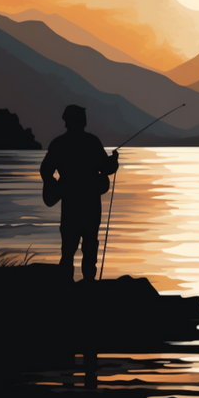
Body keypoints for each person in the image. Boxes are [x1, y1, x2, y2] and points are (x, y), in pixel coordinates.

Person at [40, 105, 119, 281]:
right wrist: (114, 161)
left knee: (68, 246)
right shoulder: (92, 142)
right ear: (79, 120)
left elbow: (45, 170)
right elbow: (106, 167)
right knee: (90, 243)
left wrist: (56, 187)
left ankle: (66, 282)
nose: (84, 119)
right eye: (82, 116)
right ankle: (88, 282)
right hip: (90, 202)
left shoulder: (59, 144)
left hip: (70, 202)